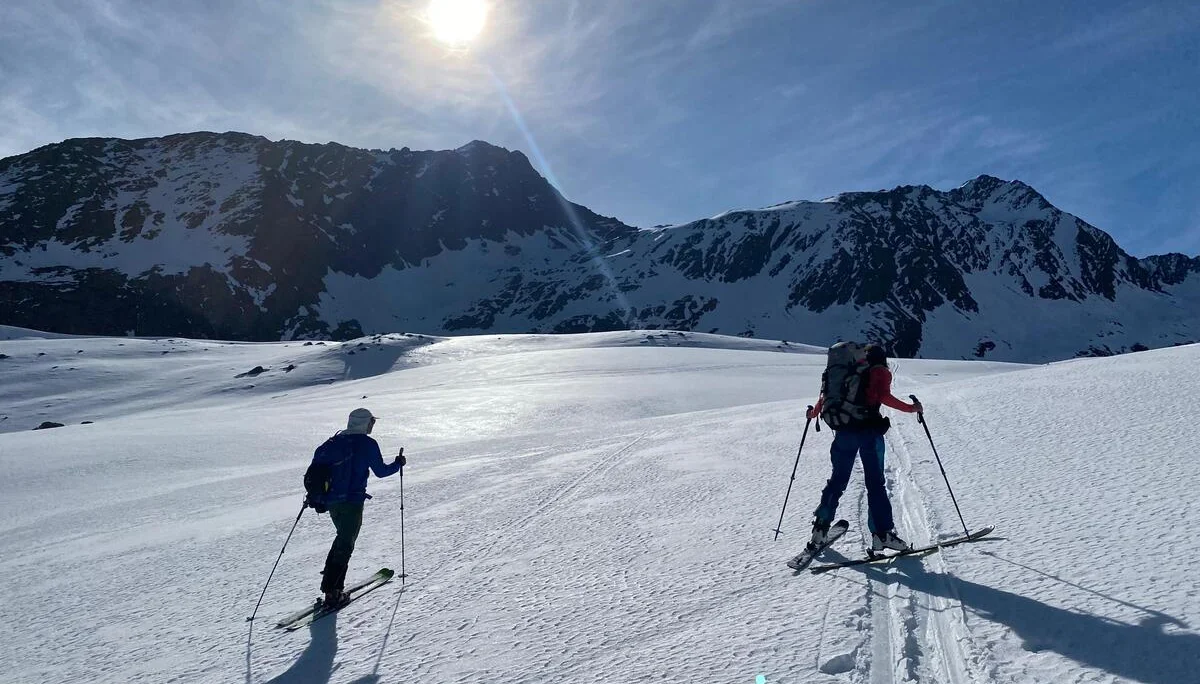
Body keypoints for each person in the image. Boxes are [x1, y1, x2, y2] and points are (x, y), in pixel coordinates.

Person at [806, 344, 922, 555]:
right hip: (869, 434)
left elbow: (825, 399)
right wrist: (911, 408)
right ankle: (882, 534)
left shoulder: (848, 372)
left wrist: (813, 414)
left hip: (843, 432)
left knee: (837, 481)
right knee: (875, 484)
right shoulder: (879, 371)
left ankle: (819, 529)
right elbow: (884, 397)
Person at [318, 407, 404, 607]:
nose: (373, 425)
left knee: (342, 538)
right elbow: (381, 472)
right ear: (365, 423)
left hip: (331, 501)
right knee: (346, 543)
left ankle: (329, 584)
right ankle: (333, 592)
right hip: (352, 501)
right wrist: (398, 464)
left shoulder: (334, 442)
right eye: (372, 422)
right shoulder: (367, 444)